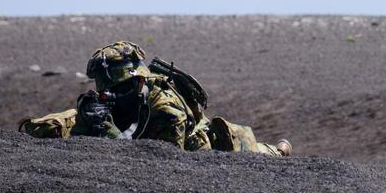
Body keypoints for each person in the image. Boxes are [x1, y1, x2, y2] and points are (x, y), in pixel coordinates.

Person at [20, 41, 291, 157]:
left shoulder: (165, 110)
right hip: (138, 134)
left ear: (139, 81)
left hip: (208, 149)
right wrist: (87, 125)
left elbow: (159, 163)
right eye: (107, 91)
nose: (112, 96)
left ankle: (280, 150)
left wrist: (110, 134)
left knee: (258, 154)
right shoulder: (115, 101)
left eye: (120, 89)